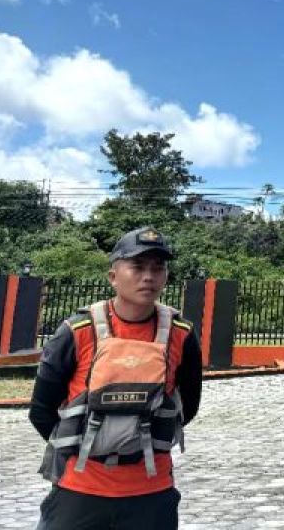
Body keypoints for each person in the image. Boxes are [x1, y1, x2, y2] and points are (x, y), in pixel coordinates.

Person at [29, 227, 202, 530]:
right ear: (113, 276)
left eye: (157, 268)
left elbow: (188, 406)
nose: (148, 276)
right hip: (80, 490)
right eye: (137, 266)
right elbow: (41, 411)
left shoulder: (182, 334)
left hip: (151, 491)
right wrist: (85, 448)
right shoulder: (76, 331)